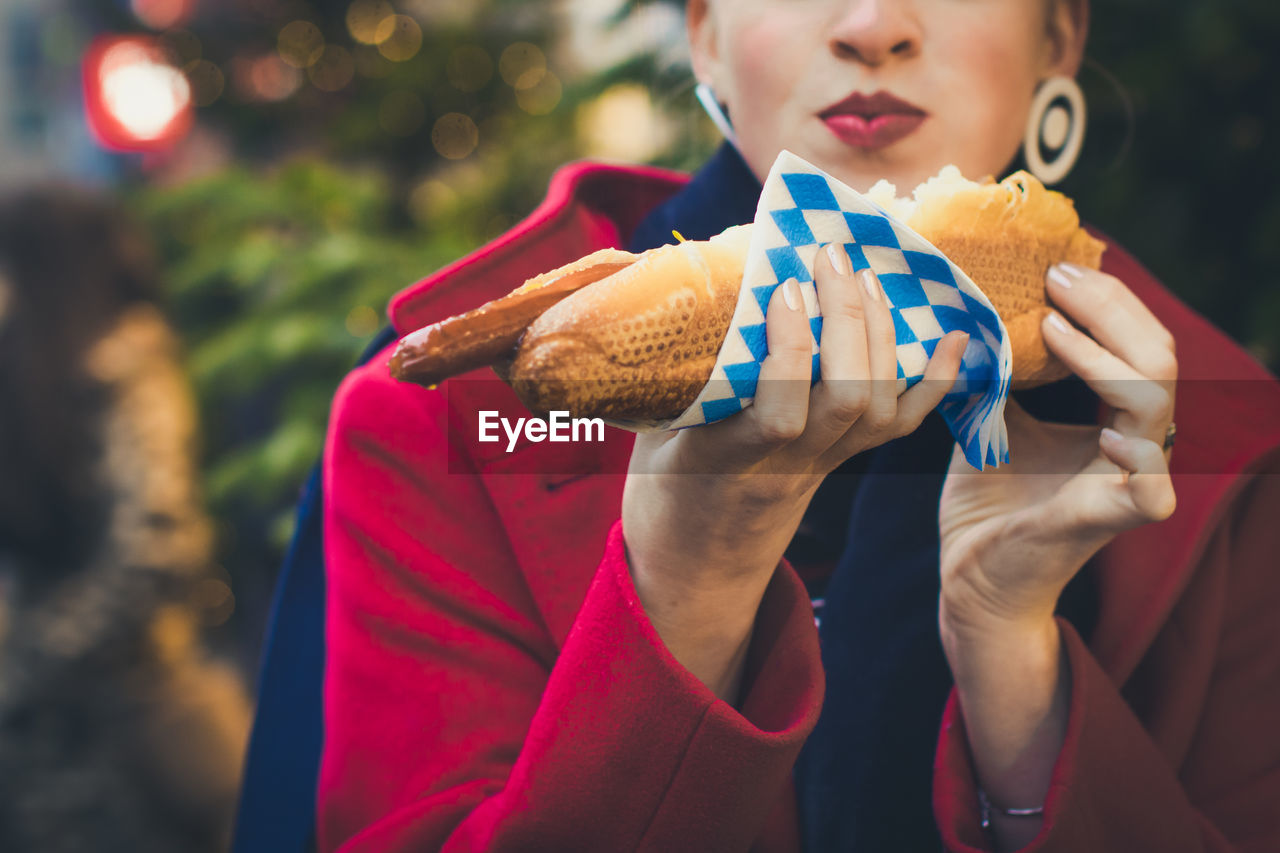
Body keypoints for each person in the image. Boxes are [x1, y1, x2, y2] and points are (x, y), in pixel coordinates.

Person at [316, 1, 1280, 851]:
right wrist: (690, 588)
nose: (873, 26)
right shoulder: (443, 417)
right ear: (705, 35)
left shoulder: (1230, 440)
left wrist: (1016, 671)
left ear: (1058, 36)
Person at [0, 185, 251, 851]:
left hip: (136, 710)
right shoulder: (27, 373)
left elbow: (160, 542)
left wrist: (34, 656)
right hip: (52, 737)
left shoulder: (125, 364)